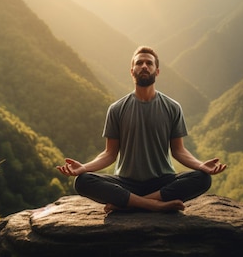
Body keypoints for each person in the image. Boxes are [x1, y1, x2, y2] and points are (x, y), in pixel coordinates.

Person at [57, 46, 226, 213]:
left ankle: (130, 204)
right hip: (126, 182)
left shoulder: (172, 107)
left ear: (157, 71)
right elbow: (109, 154)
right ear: (132, 71)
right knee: (82, 181)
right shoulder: (117, 109)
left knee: (203, 179)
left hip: (162, 182)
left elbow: (178, 151)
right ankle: (155, 205)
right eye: (139, 63)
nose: (144, 66)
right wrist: (84, 168)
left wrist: (201, 165)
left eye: (149, 63)